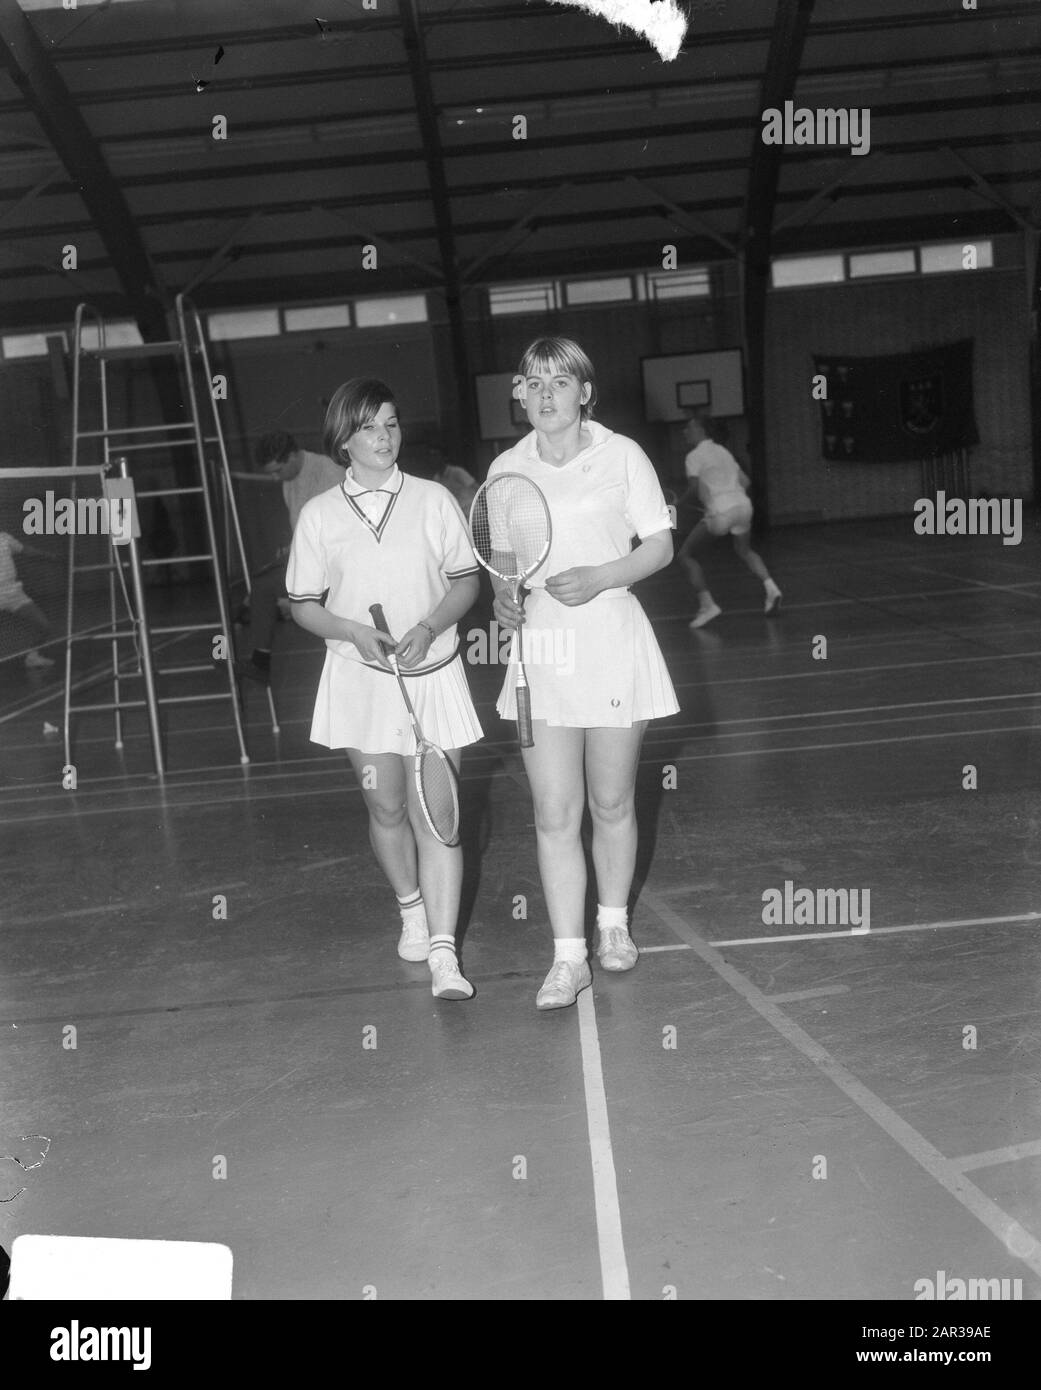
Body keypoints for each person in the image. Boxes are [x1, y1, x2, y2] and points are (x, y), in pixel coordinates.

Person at [490, 336, 678, 1011]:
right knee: (552, 812)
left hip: (611, 639)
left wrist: (603, 575)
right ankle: (567, 958)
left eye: (560, 382)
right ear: (518, 393)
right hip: (542, 651)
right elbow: (505, 567)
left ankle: (612, 925)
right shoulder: (505, 471)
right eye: (533, 383)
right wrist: (504, 597)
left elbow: (658, 543)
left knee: (611, 802)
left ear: (583, 392)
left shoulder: (621, 455)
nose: (546, 395)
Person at [286, 380, 482, 1000]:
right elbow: (300, 605)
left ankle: (446, 955)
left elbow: (464, 582)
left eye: (392, 424)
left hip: (435, 674)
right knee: (387, 807)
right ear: (343, 440)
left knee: (439, 815)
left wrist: (430, 625)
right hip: (360, 681)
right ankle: (411, 911)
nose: (385, 437)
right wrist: (350, 631)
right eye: (371, 427)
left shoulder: (433, 500)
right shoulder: (318, 515)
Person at [230, 432, 344, 683]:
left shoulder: (330, 473)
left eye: (277, 470)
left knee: (265, 586)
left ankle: (262, 659)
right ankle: (260, 661)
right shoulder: (289, 479)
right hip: (313, 559)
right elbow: (301, 526)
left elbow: (339, 528)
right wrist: (292, 549)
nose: (275, 477)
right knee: (260, 584)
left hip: (336, 563)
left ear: (293, 456)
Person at [677, 413, 781, 628]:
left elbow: (694, 488)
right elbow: (746, 481)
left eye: (689, 427)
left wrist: (678, 504)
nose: (685, 432)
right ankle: (772, 588)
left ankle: (707, 605)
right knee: (745, 551)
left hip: (721, 512)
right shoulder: (723, 451)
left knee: (685, 555)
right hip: (743, 507)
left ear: (701, 430)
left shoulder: (694, 456)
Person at [0, 529, 56, 669]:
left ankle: (32, 657)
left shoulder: (4, 538)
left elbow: (26, 550)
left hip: (13, 593)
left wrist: (49, 555)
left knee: (44, 625)